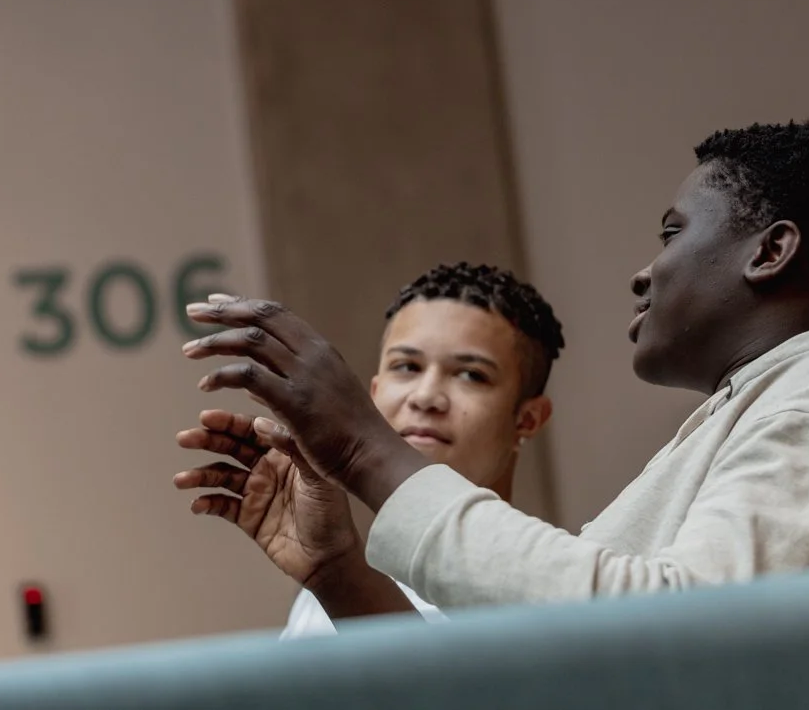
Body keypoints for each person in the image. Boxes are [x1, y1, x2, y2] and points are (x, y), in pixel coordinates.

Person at [178, 121, 809, 609]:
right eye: (404, 366)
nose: (646, 270)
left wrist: (364, 448)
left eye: (674, 233)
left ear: (771, 250)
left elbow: (677, 637)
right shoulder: (772, 410)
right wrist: (336, 570)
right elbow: (541, 683)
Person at [174, 262, 564, 635]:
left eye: (471, 375)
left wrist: (337, 569)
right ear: (374, 394)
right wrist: (332, 568)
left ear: (528, 419)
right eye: (407, 366)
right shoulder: (322, 592)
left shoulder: (549, 587)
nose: (425, 396)